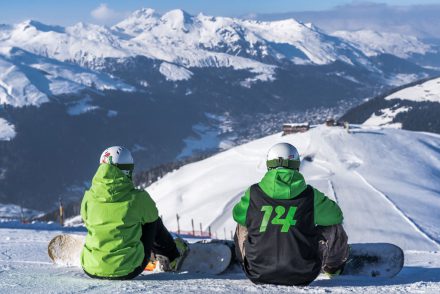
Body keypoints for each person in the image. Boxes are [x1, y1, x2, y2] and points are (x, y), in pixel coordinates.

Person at [232, 142, 349, 286]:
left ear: (269, 165)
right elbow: (336, 216)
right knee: (334, 227)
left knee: (242, 223)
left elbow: (237, 214)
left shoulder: (254, 193)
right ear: (296, 165)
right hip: (304, 275)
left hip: (258, 273)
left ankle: (245, 262)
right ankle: (333, 269)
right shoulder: (310, 195)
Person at [80, 146, 187, 279]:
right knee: (151, 221)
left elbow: (86, 219)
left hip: (90, 268)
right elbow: (152, 219)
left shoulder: (88, 197)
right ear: (127, 171)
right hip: (128, 269)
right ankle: (171, 256)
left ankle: (100, 254)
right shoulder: (137, 198)